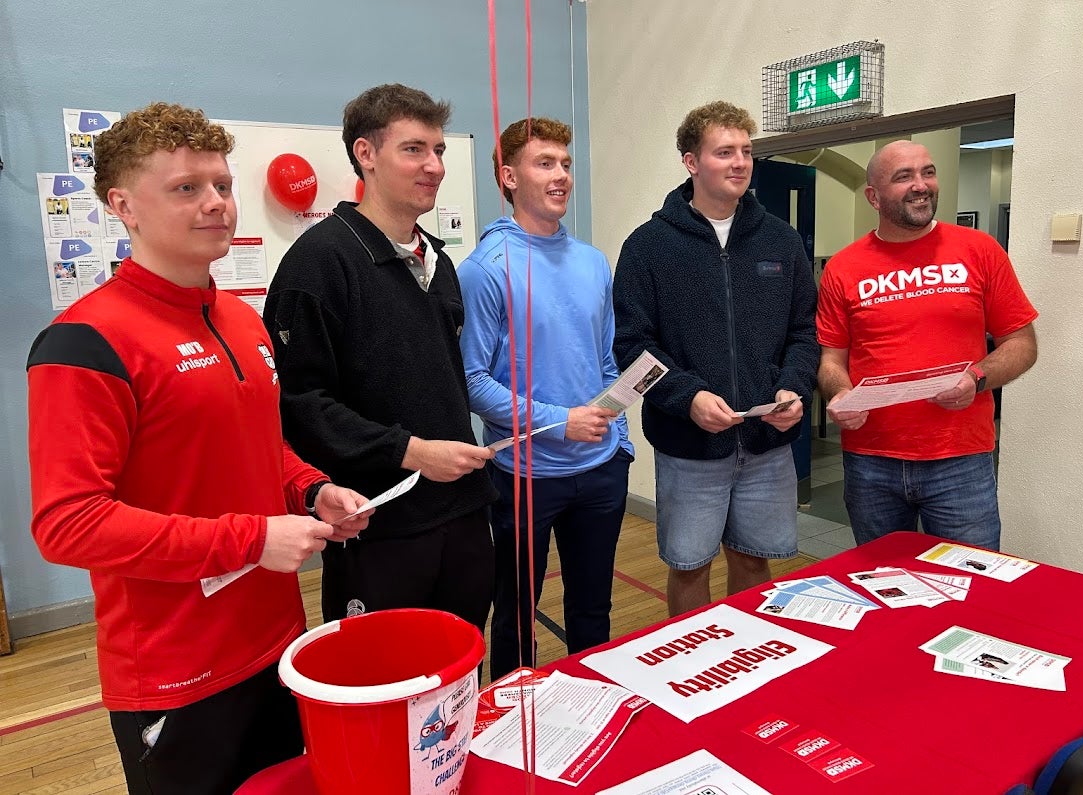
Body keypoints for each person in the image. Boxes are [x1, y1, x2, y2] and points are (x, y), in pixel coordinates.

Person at [26, 102, 371, 795]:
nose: (216, 203)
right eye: (187, 188)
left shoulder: (242, 319)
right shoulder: (85, 342)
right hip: (173, 669)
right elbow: (67, 523)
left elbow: (253, 446)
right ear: (123, 205)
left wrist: (309, 488)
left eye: (221, 184)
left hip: (275, 643)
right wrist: (249, 540)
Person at [263, 84, 497, 630]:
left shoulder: (438, 260)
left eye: (438, 150)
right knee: (382, 680)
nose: (434, 165)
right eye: (414, 149)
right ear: (365, 154)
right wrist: (410, 451)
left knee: (460, 670)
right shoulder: (318, 263)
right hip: (377, 522)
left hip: (461, 512)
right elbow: (300, 405)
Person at [613, 101, 819, 618]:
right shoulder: (649, 246)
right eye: (724, 152)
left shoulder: (781, 242)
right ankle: (693, 660)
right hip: (689, 445)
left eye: (746, 152)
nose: (739, 162)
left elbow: (804, 331)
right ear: (691, 162)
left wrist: (793, 385)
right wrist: (689, 399)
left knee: (753, 563)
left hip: (766, 441)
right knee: (689, 567)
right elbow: (632, 348)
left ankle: (750, 658)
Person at [459, 116, 633, 677]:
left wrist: (619, 438)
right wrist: (561, 422)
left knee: (594, 613)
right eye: (544, 164)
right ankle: (513, 721)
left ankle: (592, 703)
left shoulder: (590, 261)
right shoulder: (485, 269)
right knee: (515, 619)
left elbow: (604, 359)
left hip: (601, 470)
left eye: (565, 164)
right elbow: (473, 381)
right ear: (508, 177)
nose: (561, 176)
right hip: (524, 476)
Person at [817, 140, 1038, 551]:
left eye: (928, 172)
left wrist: (977, 377)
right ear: (873, 196)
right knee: (881, 581)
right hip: (870, 461)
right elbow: (832, 359)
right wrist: (841, 392)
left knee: (970, 585)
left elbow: (1022, 343)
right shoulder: (844, 268)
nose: (922, 185)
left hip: (960, 461)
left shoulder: (979, 251)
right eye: (904, 177)